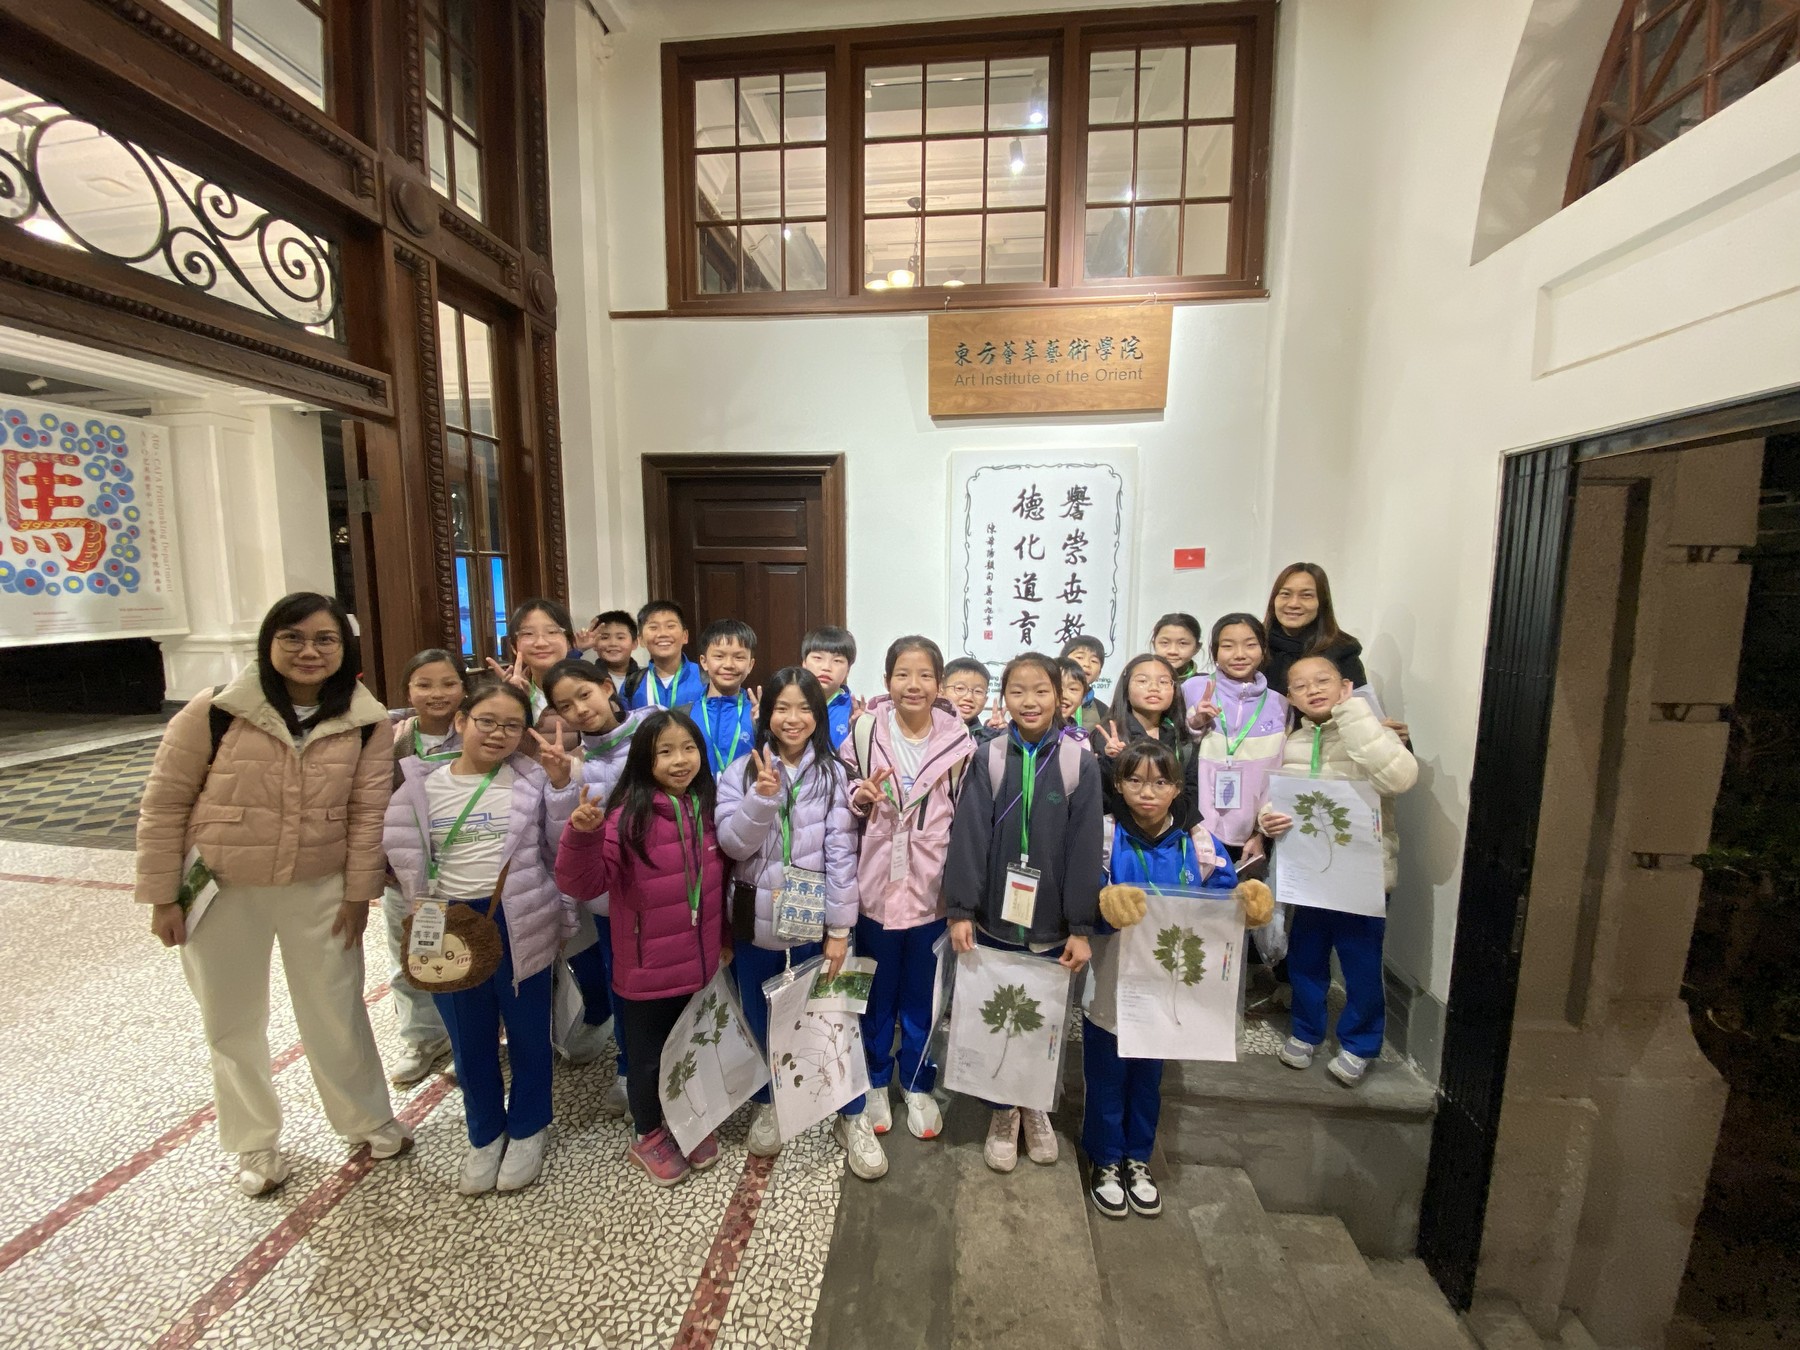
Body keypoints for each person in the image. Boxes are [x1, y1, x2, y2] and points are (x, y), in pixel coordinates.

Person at [137, 592, 409, 1198]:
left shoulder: (366, 721)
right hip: (221, 889)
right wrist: (162, 896)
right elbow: (164, 804)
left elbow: (369, 813)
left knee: (336, 1008)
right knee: (231, 1020)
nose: (309, 651)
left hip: (320, 886)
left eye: (325, 640)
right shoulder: (216, 710)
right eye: (293, 638)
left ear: (345, 649)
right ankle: (254, 1141)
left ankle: (365, 1117)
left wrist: (358, 894)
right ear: (269, 643)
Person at [384, 681, 572, 1194]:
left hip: (519, 917)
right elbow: (402, 859)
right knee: (468, 1040)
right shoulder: (418, 789)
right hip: (448, 924)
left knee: (529, 1033)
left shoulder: (532, 781)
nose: (498, 733)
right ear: (462, 721)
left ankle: (529, 1127)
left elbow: (560, 849)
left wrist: (561, 789)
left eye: (512, 725)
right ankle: (484, 1133)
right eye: (487, 721)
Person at [1083, 740, 1270, 1218]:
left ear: (1177, 789)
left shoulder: (1199, 842)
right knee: (1106, 1075)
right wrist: (1103, 904)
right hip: (1111, 980)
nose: (1147, 792)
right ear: (1118, 785)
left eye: (1160, 782)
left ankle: (1137, 1158)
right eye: (1135, 781)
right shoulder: (1103, 835)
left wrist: (1245, 904)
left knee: (1148, 1079)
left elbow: (1224, 897)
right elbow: (1080, 895)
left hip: (1168, 984)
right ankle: (1105, 1160)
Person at [716, 667, 882, 1177]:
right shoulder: (740, 771)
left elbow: (840, 855)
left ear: (819, 715)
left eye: (804, 708)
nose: (793, 718)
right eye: (782, 708)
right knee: (759, 1015)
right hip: (756, 920)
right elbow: (732, 846)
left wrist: (839, 931)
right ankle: (768, 1101)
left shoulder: (833, 775)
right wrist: (762, 798)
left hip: (816, 920)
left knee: (835, 1016)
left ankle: (851, 1113)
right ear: (766, 714)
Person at [554, 711, 731, 1186]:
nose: (680, 760)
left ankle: (685, 1118)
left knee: (691, 1046)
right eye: (665, 751)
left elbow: (718, 887)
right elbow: (584, 883)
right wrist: (582, 834)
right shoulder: (626, 817)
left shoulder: (705, 808)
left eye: (688, 748)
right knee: (648, 1057)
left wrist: (724, 941)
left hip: (699, 965)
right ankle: (648, 1133)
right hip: (646, 971)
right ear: (643, 760)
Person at [941, 652, 1102, 1174]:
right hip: (994, 918)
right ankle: (1002, 1111)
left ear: (1061, 696)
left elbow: (1085, 848)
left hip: (1052, 923)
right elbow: (969, 836)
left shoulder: (1080, 762)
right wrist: (961, 909)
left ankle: (1034, 1106)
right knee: (998, 1014)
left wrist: (1081, 926)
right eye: (1017, 691)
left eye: (1040, 691)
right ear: (1003, 698)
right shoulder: (988, 756)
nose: (1029, 702)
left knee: (1042, 1016)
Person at [1259, 654, 1417, 1088]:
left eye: (1323, 680)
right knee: (1306, 958)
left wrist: (1354, 716)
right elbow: (1282, 795)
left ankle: (1360, 1044)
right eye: (1301, 685)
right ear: (1290, 697)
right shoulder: (1294, 740)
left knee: (1361, 963)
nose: (1312, 690)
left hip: (1363, 877)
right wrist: (1267, 818)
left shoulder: (1373, 731)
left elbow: (1400, 779)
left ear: (1345, 686)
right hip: (1312, 875)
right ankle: (1305, 1031)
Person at [842, 637, 975, 1143]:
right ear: (886, 680)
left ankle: (917, 1082)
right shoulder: (863, 732)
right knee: (876, 992)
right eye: (902, 674)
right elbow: (844, 798)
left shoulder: (960, 744)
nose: (912, 685)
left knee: (923, 994)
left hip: (930, 891)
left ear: (939, 684)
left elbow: (967, 823)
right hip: (874, 887)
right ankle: (876, 1079)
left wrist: (962, 900)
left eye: (924, 675)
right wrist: (860, 797)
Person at [541, 658, 651, 1099]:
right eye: (565, 706)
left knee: (675, 979)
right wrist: (560, 784)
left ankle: (681, 1065)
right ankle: (628, 1066)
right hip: (611, 896)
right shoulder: (576, 763)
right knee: (620, 980)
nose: (580, 710)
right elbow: (563, 841)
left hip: (666, 886)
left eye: (584, 695)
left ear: (606, 686)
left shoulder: (653, 730)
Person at [382, 648, 467, 1087]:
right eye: (425, 684)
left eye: (449, 683)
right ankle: (423, 1038)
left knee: (467, 957)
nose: (438, 693)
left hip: (465, 873)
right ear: (407, 690)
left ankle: (471, 1040)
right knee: (411, 959)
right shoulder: (389, 740)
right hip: (407, 875)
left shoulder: (475, 732)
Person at [1185, 615, 1288, 878]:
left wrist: (1260, 833)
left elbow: (1277, 773)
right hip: (1194, 828)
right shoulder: (1193, 689)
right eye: (1228, 646)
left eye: (1250, 645)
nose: (1239, 654)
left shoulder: (1279, 704)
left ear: (1263, 649)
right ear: (1215, 651)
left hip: (1249, 837)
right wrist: (1196, 722)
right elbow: (1174, 749)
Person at [1092, 654, 1198, 829]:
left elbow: (1190, 792)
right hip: (1120, 833)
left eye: (1163, 682)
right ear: (1126, 688)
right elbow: (1100, 797)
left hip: (1170, 833)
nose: (1154, 688)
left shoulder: (1182, 737)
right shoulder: (1108, 735)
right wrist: (1111, 760)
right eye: (1142, 681)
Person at [1262, 563, 1368, 693]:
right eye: (1285, 594)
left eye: (1306, 595)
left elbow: (1359, 702)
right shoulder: (1255, 645)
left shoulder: (1343, 650)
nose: (1293, 604)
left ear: (1322, 602)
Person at [694, 618, 759, 777]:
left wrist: (765, 727)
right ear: (704, 662)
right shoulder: (684, 715)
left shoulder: (758, 715)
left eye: (739, 657)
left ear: (750, 665)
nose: (729, 664)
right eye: (719, 656)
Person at [491, 599, 576, 718]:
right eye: (528, 634)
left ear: (569, 642)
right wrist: (511, 701)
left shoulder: (591, 688)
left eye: (552, 632)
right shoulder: (507, 694)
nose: (541, 643)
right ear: (513, 646)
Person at [627, 600, 706, 712]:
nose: (663, 634)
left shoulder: (706, 678)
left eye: (670, 626)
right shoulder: (632, 685)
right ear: (641, 640)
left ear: (685, 636)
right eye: (653, 627)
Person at [801, 625, 861, 749]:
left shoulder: (856, 712)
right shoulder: (788, 705)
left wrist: (864, 729)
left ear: (848, 670)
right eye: (818, 658)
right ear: (804, 663)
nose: (826, 667)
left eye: (837, 661)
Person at [578, 609, 642, 698]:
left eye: (620, 637)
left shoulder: (646, 677)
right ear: (594, 644)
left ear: (634, 643)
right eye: (604, 638)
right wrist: (579, 649)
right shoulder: (585, 677)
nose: (613, 643)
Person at [1059, 635, 1110, 725]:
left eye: (1094, 661)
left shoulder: (1104, 712)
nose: (1086, 664)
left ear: (1099, 674)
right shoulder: (1047, 700)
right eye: (1079, 657)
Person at [942, 657, 993, 734]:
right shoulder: (927, 731)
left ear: (985, 699)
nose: (969, 697)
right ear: (941, 690)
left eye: (978, 691)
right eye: (960, 688)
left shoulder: (987, 738)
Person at [1150, 613, 1204, 682]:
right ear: (1154, 644)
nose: (1173, 651)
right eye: (1165, 642)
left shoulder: (1206, 684)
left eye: (1183, 643)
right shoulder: (1139, 681)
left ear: (1197, 648)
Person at [1057, 657, 1098, 738]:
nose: (1064, 695)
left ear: (1082, 697)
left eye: (1073, 689)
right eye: (1057, 687)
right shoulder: (1033, 734)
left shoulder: (1080, 739)